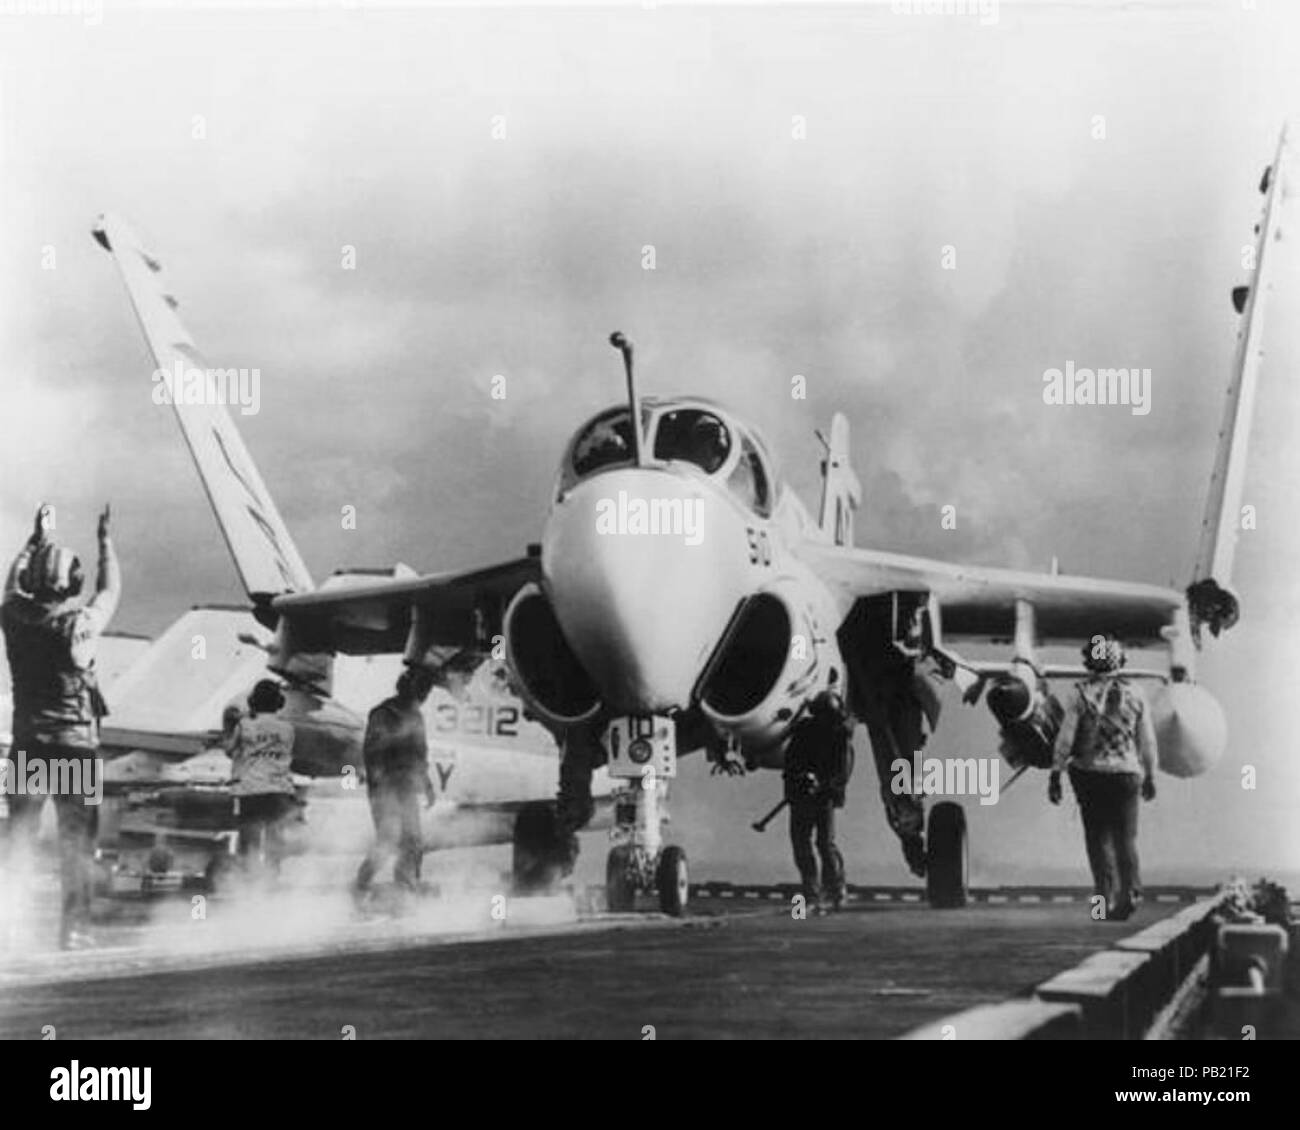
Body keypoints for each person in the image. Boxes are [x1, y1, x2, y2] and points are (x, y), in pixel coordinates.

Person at [1, 502, 118, 949]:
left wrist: (32, 542)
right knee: (76, 843)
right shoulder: (80, 623)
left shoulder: (13, 618)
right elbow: (111, 590)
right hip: (75, 745)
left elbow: (11, 584)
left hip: (30, 743)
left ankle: (7, 925)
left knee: (19, 838)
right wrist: (105, 543)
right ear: (71, 583)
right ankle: (73, 929)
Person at [1048, 635, 1158, 921]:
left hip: (1090, 776)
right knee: (1126, 838)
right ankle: (1130, 894)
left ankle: (1101, 905)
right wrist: (1151, 775)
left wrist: (1056, 774)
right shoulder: (1137, 693)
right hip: (1127, 775)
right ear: (1121, 661)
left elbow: (1065, 739)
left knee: (1097, 842)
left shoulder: (1079, 694)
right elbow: (1147, 741)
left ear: (1088, 662)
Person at [353, 666, 437, 900]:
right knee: (388, 840)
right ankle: (360, 886)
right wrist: (380, 789)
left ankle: (405, 889)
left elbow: (421, 755)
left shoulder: (416, 716)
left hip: (407, 788)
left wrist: (427, 785)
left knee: (413, 840)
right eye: (422, 691)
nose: (424, 696)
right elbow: (373, 754)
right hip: (386, 788)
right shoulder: (383, 713)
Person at [782, 690, 855, 913]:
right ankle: (814, 892)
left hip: (823, 798)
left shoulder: (839, 738)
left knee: (823, 844)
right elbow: (791, 763)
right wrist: (801, 780)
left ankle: (833, 890)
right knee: (805, 844)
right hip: (803, 795)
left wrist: (820, 784)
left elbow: (841, 774)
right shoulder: (806, 732)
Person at [223, 679, 298, 877]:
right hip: (279, 789)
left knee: (250, 838)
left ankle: (249, 880)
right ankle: (272, 877)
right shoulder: (288, 729)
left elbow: (229, 750)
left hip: (250, 789)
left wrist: (230, 725)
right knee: (275, 836)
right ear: (279, 703)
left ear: (253, 701)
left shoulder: (244, 726)